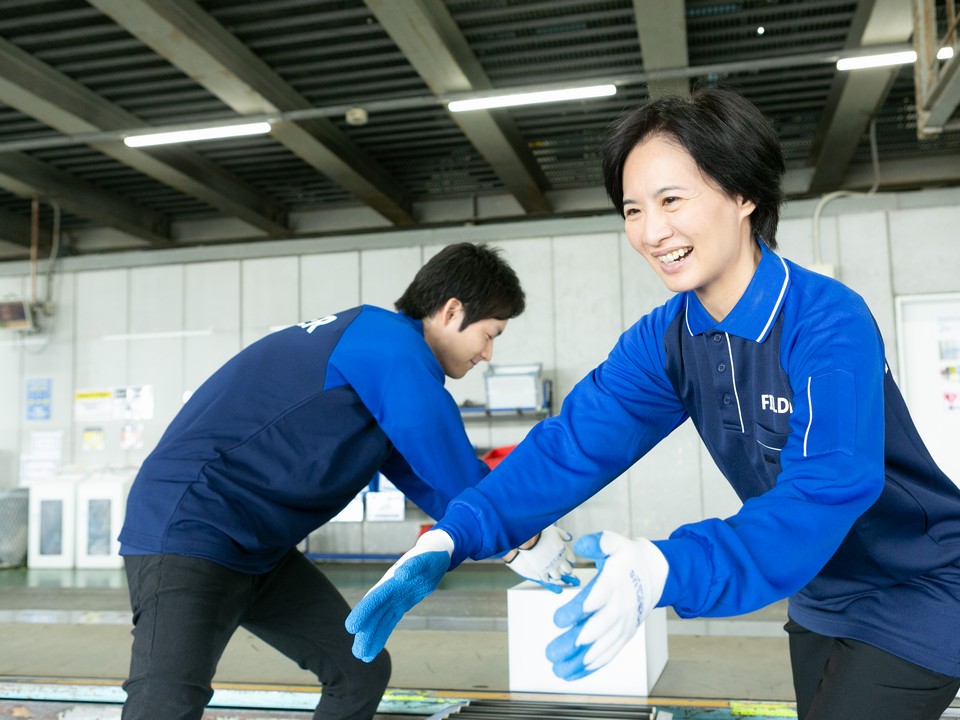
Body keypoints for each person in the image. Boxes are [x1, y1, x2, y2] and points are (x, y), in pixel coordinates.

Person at [345, 90, 960, 720]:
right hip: (815, 589)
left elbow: (831, 484)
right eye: (633, 209)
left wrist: (670, 567)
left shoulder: (828, 321)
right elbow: (572, 447)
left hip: (918, 585)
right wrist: (455, 534)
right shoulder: (665, 340)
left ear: (744, 195)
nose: (651, 232)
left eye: (671, 200)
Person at [117, 242, 578, 720]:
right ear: (452, 310)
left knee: (359, 670)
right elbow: (450, 460)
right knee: (165, 704)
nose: (487, 353)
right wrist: (525, 534)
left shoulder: (381, 359)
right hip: (191, 530)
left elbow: (434, 483)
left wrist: (508, 543)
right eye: (488, 334)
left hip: (258, 551)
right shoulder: (390, 348)